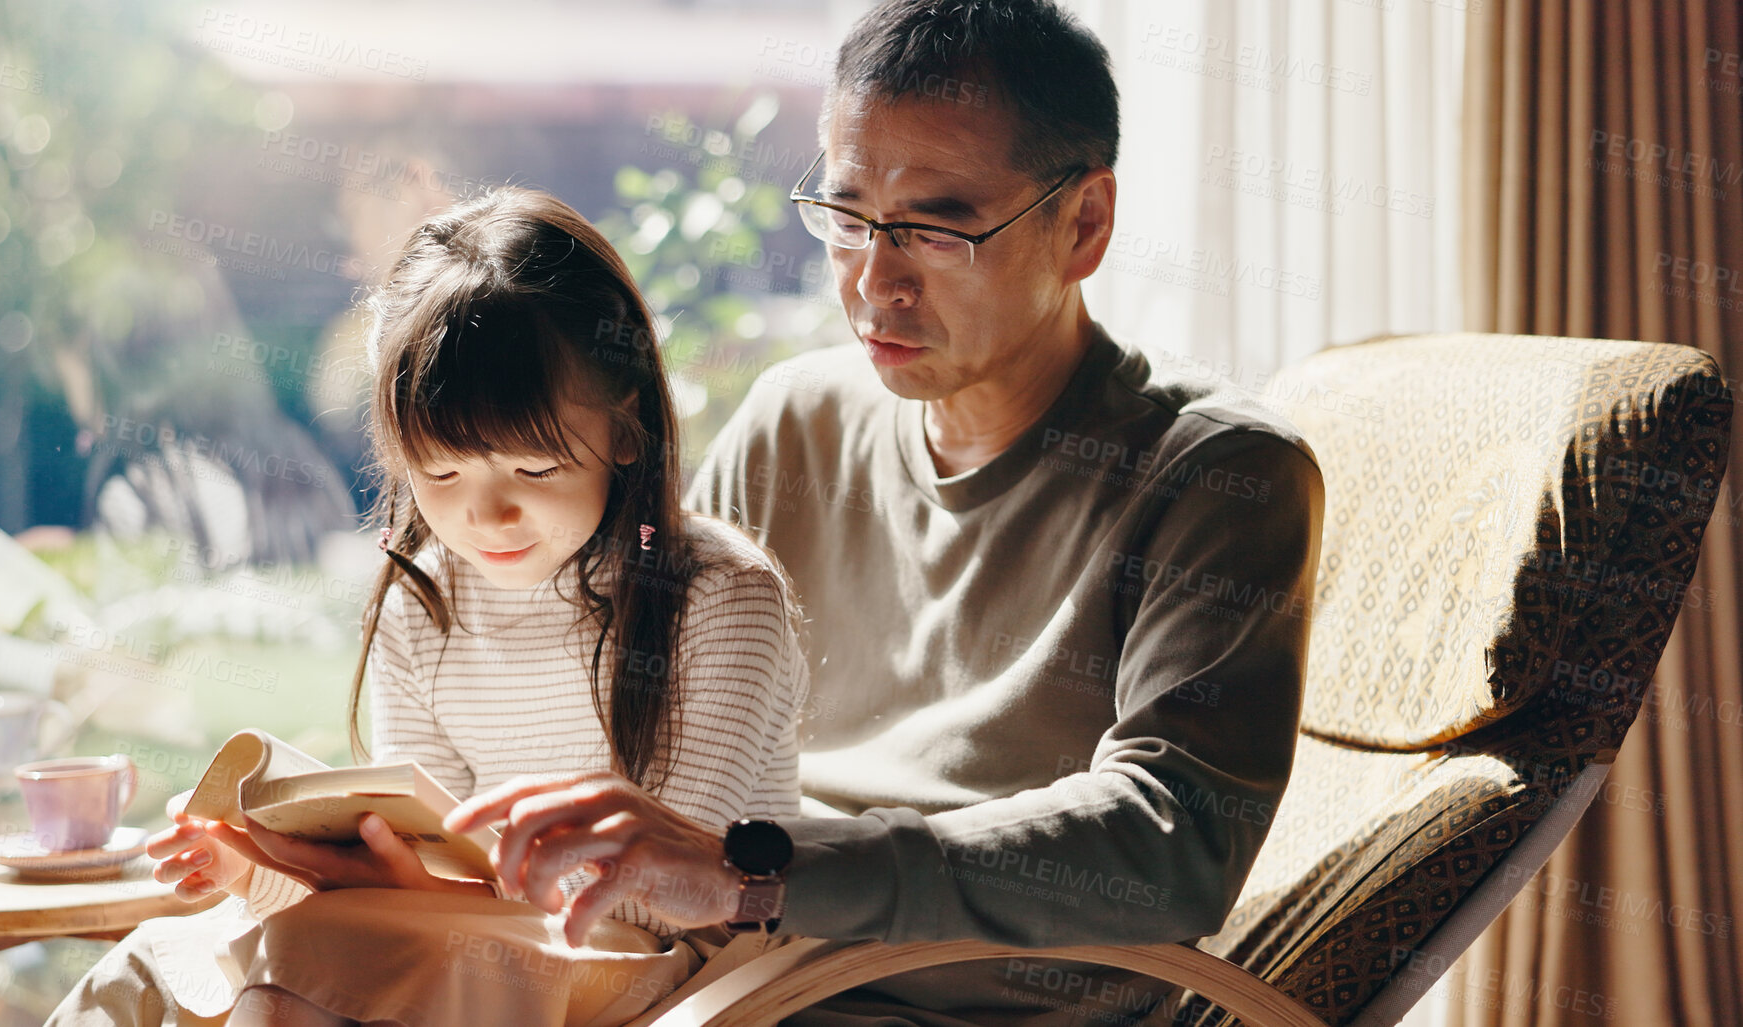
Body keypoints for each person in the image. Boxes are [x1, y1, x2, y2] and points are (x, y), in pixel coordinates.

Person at [442, 2, 1326, 1024]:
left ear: (1084, 223)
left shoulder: (1220, 477)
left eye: (939, 227)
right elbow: (614, 674)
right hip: (706, 975)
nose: (875, 281)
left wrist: (757, 872)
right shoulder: (799, 422)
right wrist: (411, 833)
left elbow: (1170, 843)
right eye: (850, 218)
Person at [47, 188, 808, 1027]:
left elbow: (670, 896)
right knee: (150, 965)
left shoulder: (716, 595)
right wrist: (261, 866)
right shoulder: (424, 599)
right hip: (467, 937)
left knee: (319, 962)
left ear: (625, 431)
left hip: (662, 969)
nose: (485, 515)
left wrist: (431, 891)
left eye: (534, 471)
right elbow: (420, 862)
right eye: (441, 475)